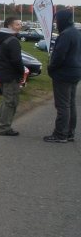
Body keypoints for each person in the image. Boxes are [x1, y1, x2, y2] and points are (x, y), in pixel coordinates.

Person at [44, 8, 81, 143]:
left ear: (62, 20)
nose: (56, 23)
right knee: (70, 104)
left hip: (64, 74)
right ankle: (70, 132)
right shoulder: (76, 32)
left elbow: (59, 56)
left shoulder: (65, 34)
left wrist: (51, 68)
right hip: (75, 71)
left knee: (63, 105)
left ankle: (60, 134)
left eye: (57, 20)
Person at [0, 16, 25, 136]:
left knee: (6, 100)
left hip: (2, 73)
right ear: (10, 26)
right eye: (17, 24)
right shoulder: (12, 40)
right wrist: (21, 73)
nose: (20, 26)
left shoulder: (0, 38)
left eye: (20, 24)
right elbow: (17, 60)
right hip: (10, 75)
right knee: (11, 102)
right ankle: (4, 127)